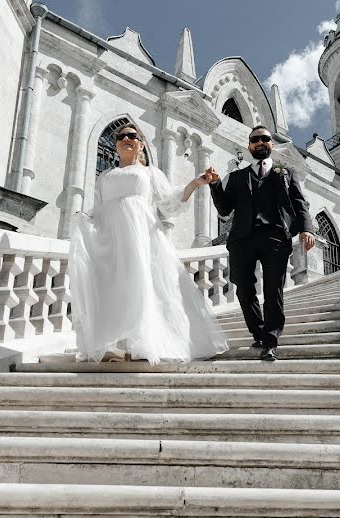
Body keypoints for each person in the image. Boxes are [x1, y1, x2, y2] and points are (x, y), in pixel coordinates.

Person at [69, 123, 228, 365]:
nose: (126, 139)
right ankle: (115, 344)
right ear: (116, 144)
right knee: (113, 286)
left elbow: (170, 202)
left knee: (140, 284)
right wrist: (84, 220)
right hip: (111, 237)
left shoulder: (150, 173)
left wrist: (195, 183)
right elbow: (99, 209)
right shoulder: (105, 177)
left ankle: (140, 342)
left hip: (141, 236)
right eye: (121, 136)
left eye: (132, 136)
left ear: (141, 144)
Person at [208, 126, 316, 361]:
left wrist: (306, 229)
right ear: (249, 146)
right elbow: (225, 209)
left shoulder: (285, 173)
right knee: (243, 289)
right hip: (241, 239)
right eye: (254, 139)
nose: (259, 142)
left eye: (264, 139)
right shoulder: (237, 177)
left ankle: (270, 341)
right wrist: (215, 185)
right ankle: (258, 331)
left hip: (275, 236)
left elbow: (299, 203)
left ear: (271, 145)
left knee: (272, 290)